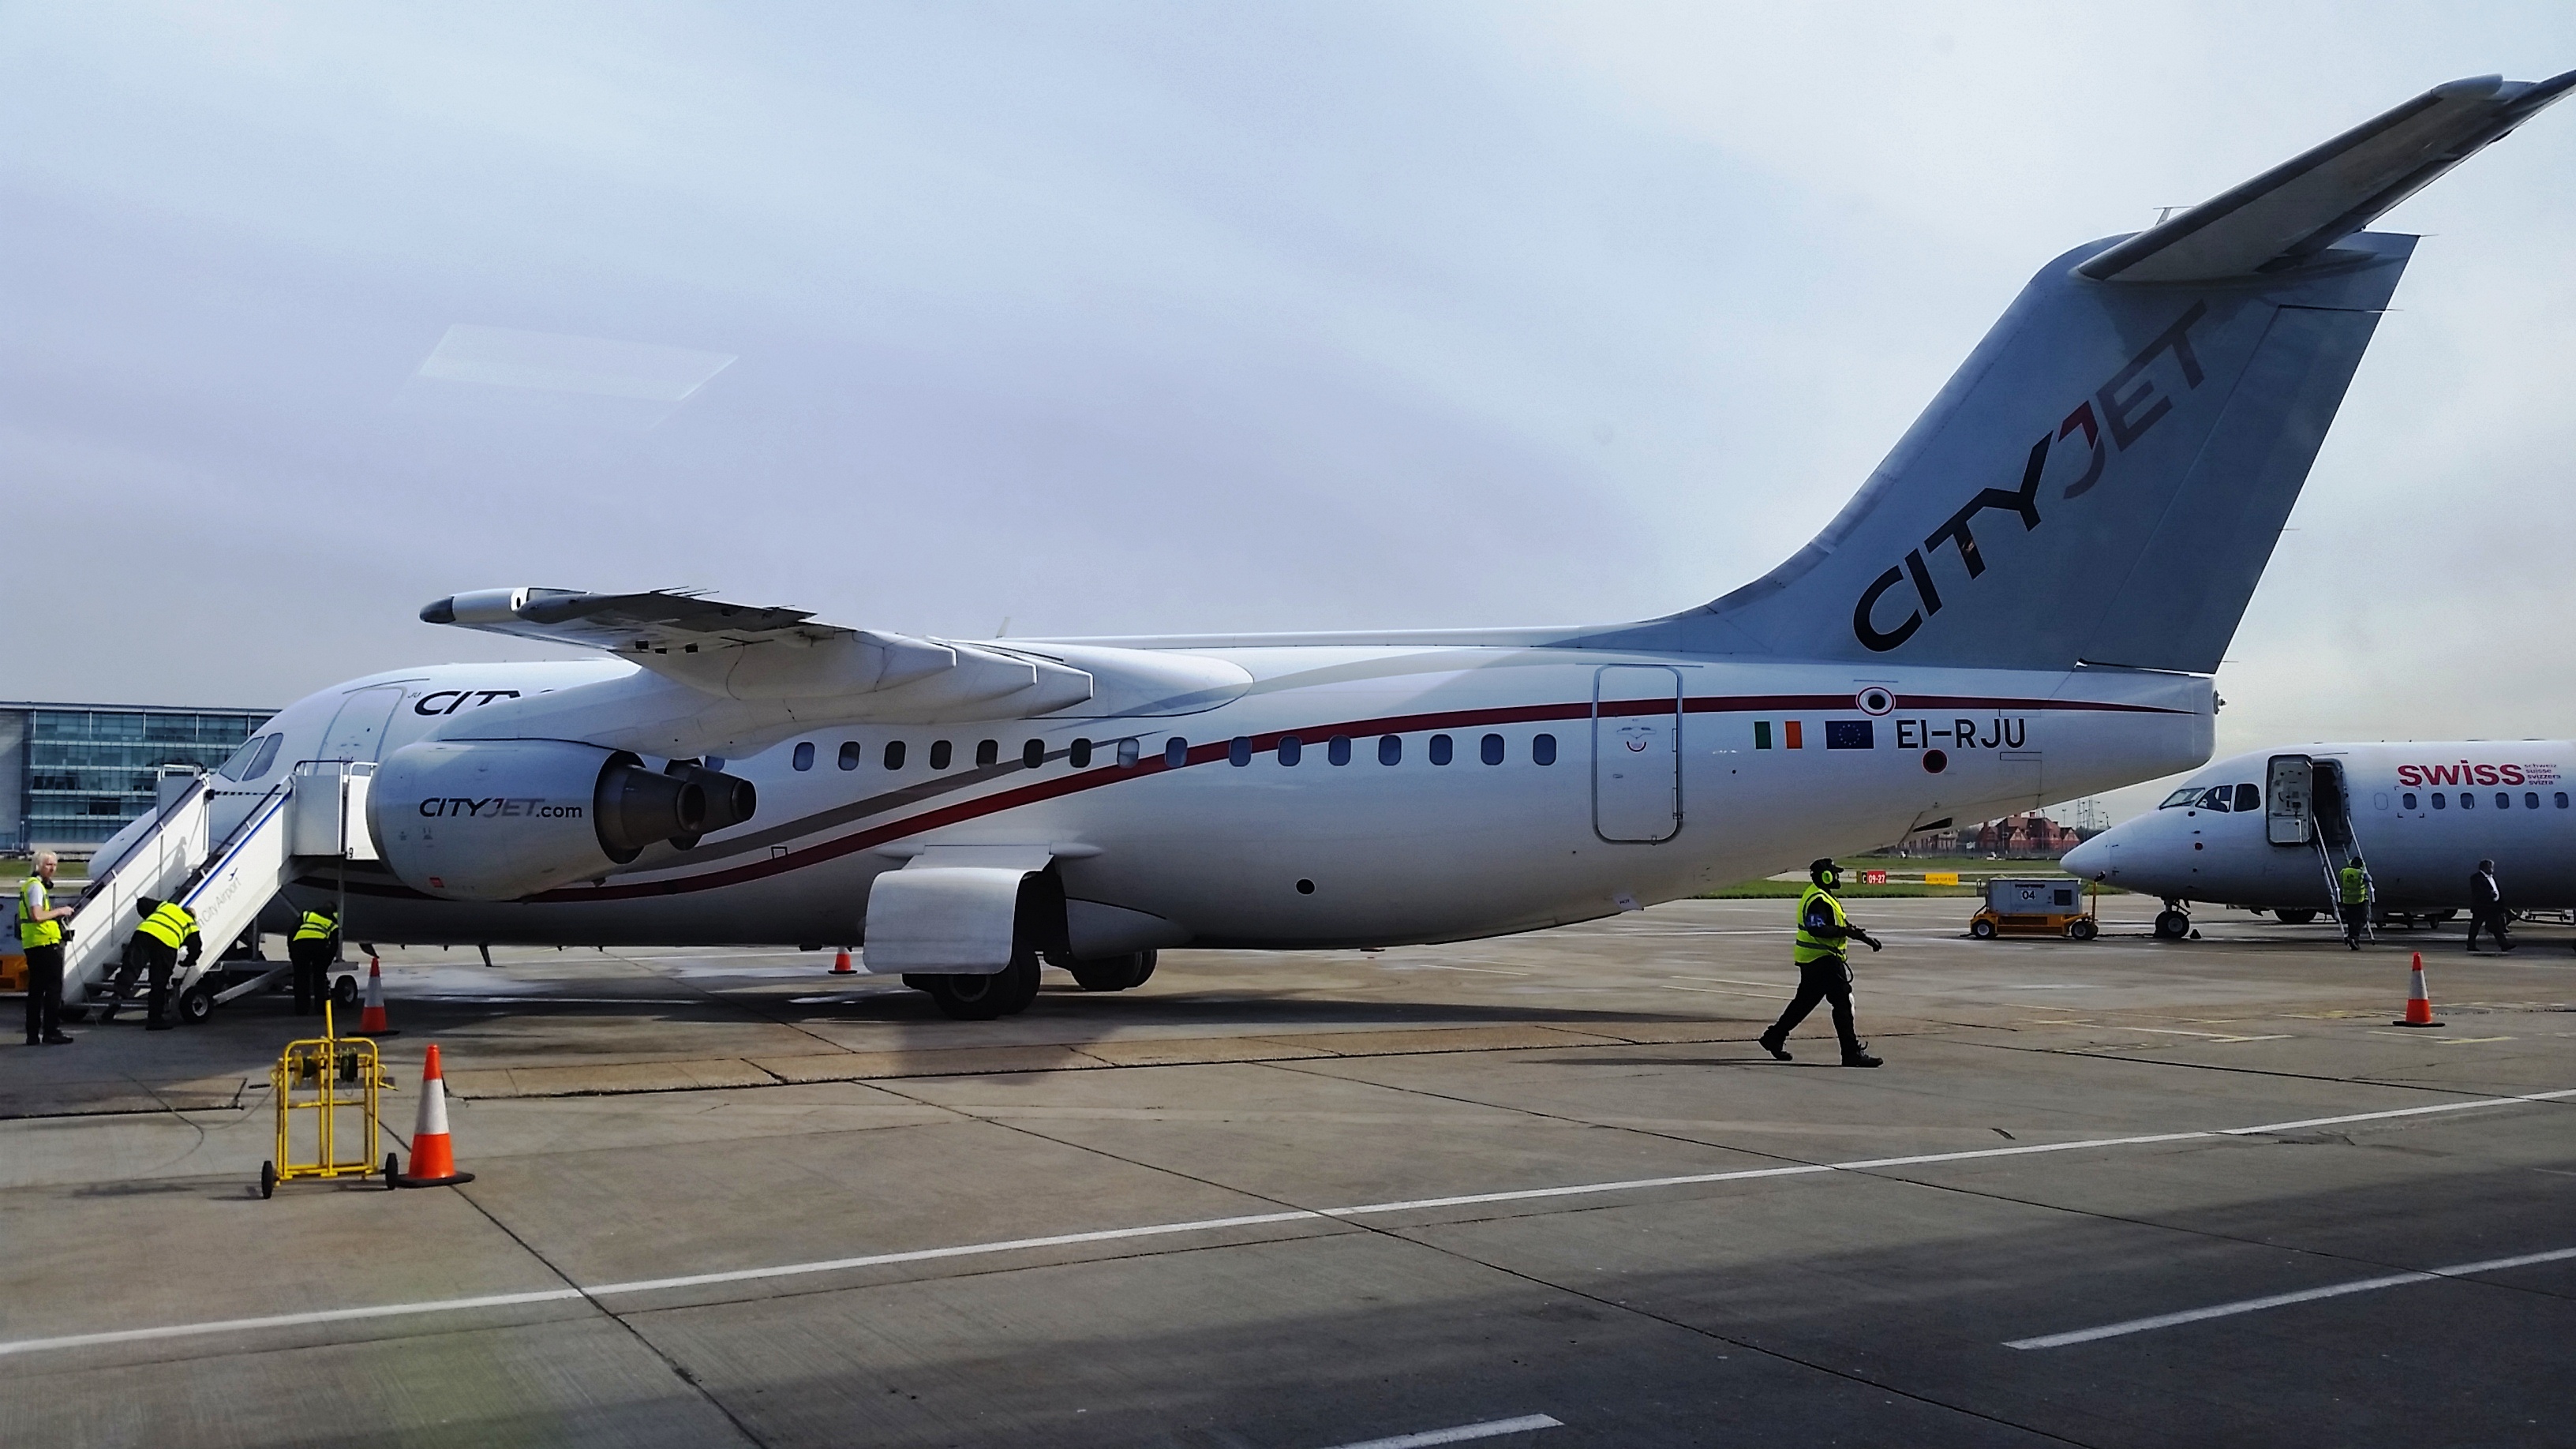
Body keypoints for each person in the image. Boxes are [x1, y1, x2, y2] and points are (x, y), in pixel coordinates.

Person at [1758, 858, 1883, 1067]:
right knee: (1842, 1003)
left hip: (1814, 959)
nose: (1837, 877)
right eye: (1834, 873)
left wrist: (1863, 938)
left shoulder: (1822, 896)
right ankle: (1851, 1053)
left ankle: (1774, 1037)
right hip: (1823, 959)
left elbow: (1838, 924)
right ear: (1825, 876)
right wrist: (1844, 932)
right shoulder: (1818, 899)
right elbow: (1817, 929)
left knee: (1804, 1002)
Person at [102, 896, 200, 1030]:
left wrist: (150, 918)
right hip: (167, 943)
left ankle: (118, 995)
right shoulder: (191, 923)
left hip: (145, 933)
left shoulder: (168, 907)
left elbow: (142, 902)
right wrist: (188, 961)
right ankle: (155, 1019)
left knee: (131, 967)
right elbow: (196, 947)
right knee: (159, 982)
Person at [18, 852, 77, 1046]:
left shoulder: (31, 886)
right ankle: (51, 1031)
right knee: (52, 989)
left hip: (34, 943)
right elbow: (37, 915)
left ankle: (33, 1033)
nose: (53, 869)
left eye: (55, 865)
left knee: (36, 990)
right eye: (48, 865)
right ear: (38, 866)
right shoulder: (36, 887)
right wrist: (61, 911)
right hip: (45, 944)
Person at [289, 904, 341, 1016]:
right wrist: (327, 962)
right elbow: (334, 946)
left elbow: (292, 932)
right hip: (319, 946)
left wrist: (292, 952)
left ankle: (301, 1009)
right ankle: (321, 1009)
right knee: (319, 978)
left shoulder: (307, 915)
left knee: (300, 979)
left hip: (300, 945)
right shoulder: (332, 923)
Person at [2467, 859, 2511, 953]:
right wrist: (2489, 894)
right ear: (2485, 867)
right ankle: (2471, 944)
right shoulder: (2476, 878)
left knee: (2497, 927)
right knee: (2475, 927)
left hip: (2491, 907)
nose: (2492, 869)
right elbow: (2478, 891)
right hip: (2481, 907)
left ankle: (2504, 945)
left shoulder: (2491, 878)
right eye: (2491, 867)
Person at [2338, 856, 2372, 951]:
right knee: (2363, 919)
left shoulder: (2344, 872)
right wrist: (2363, 869)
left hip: (2347, 900)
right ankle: (2354, 937)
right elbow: (2369, 879)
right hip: (2359, 900)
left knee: (2351, 921)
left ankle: (2352, 938)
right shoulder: (2360, 873)